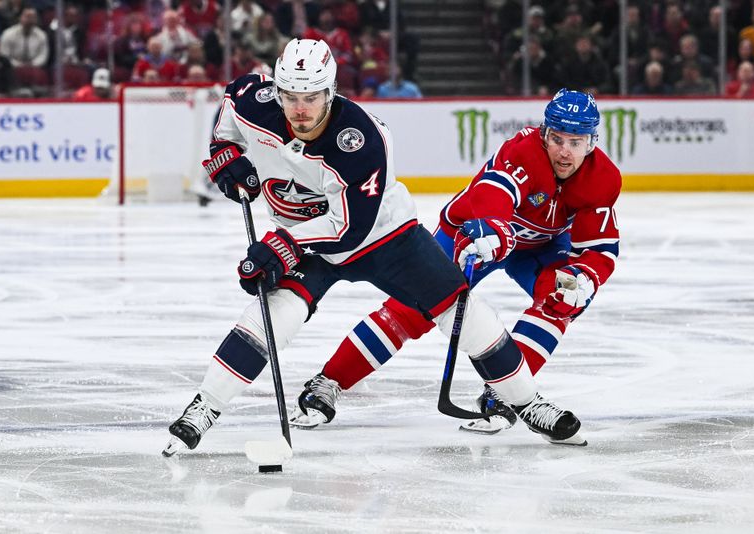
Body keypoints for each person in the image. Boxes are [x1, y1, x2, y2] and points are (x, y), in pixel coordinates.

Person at [163, 38, 586, 457]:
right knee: (272, 318)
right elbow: (231, 108)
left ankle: (527, 402)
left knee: (461, 311)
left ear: (330, 91)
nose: (300, 109)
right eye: (290, 96)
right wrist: (226, 154)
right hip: (305, 240)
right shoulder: (255, 100)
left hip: (383, 236)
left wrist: (281, 246)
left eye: (311, 97)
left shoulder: (361, 139)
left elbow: (347, 228)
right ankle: (205, 407)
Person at [288, 88, 621, 440]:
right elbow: (494, 191)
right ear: (544, 134)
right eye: (556, 138)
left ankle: (506, 393)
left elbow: (599, 248)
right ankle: (329, 382)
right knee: (409, 311)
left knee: (561, 301)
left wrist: (585, 277)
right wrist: (493, 228)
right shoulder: (522, 152)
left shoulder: (603, 179)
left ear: (591, 142)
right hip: (473, 232)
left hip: (540, 246)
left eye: (576, 141)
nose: (564, 151)